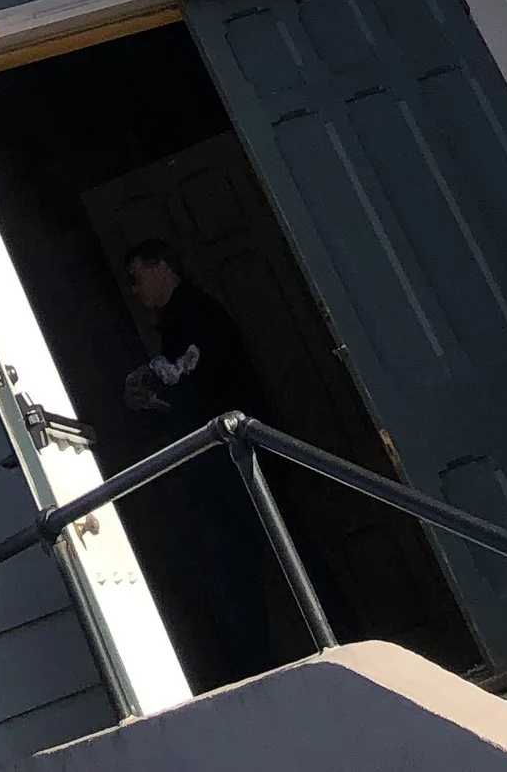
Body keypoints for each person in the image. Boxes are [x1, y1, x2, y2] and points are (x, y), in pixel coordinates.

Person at [117, 239, 281, 686]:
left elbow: (193, 384)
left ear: (162, 268)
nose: (134, 290)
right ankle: (259, 667)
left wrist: (150, 387)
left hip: (234, 463)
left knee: (242, 564)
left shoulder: (194, 317)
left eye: (137, 277)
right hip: (223, 466)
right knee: (242, 562)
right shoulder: (178, 323)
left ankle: (259, 671)